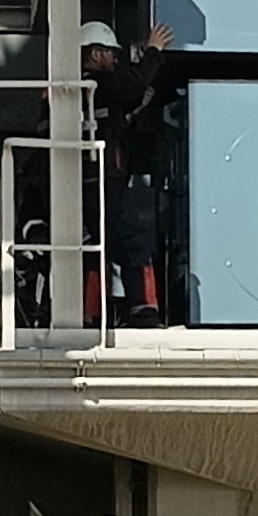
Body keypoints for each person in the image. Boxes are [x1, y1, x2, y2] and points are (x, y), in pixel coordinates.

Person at [81, 19, 173, 327]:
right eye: (111, 53)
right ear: (96, 53)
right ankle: (143, 311)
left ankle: (90, 314)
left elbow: (125, 105)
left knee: (97, 245)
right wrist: (153, 52)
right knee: (135, 242)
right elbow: (131, 86)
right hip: (103, 180)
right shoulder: (97, 84)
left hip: (92, 179)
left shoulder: (84, 91)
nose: (115, 59)